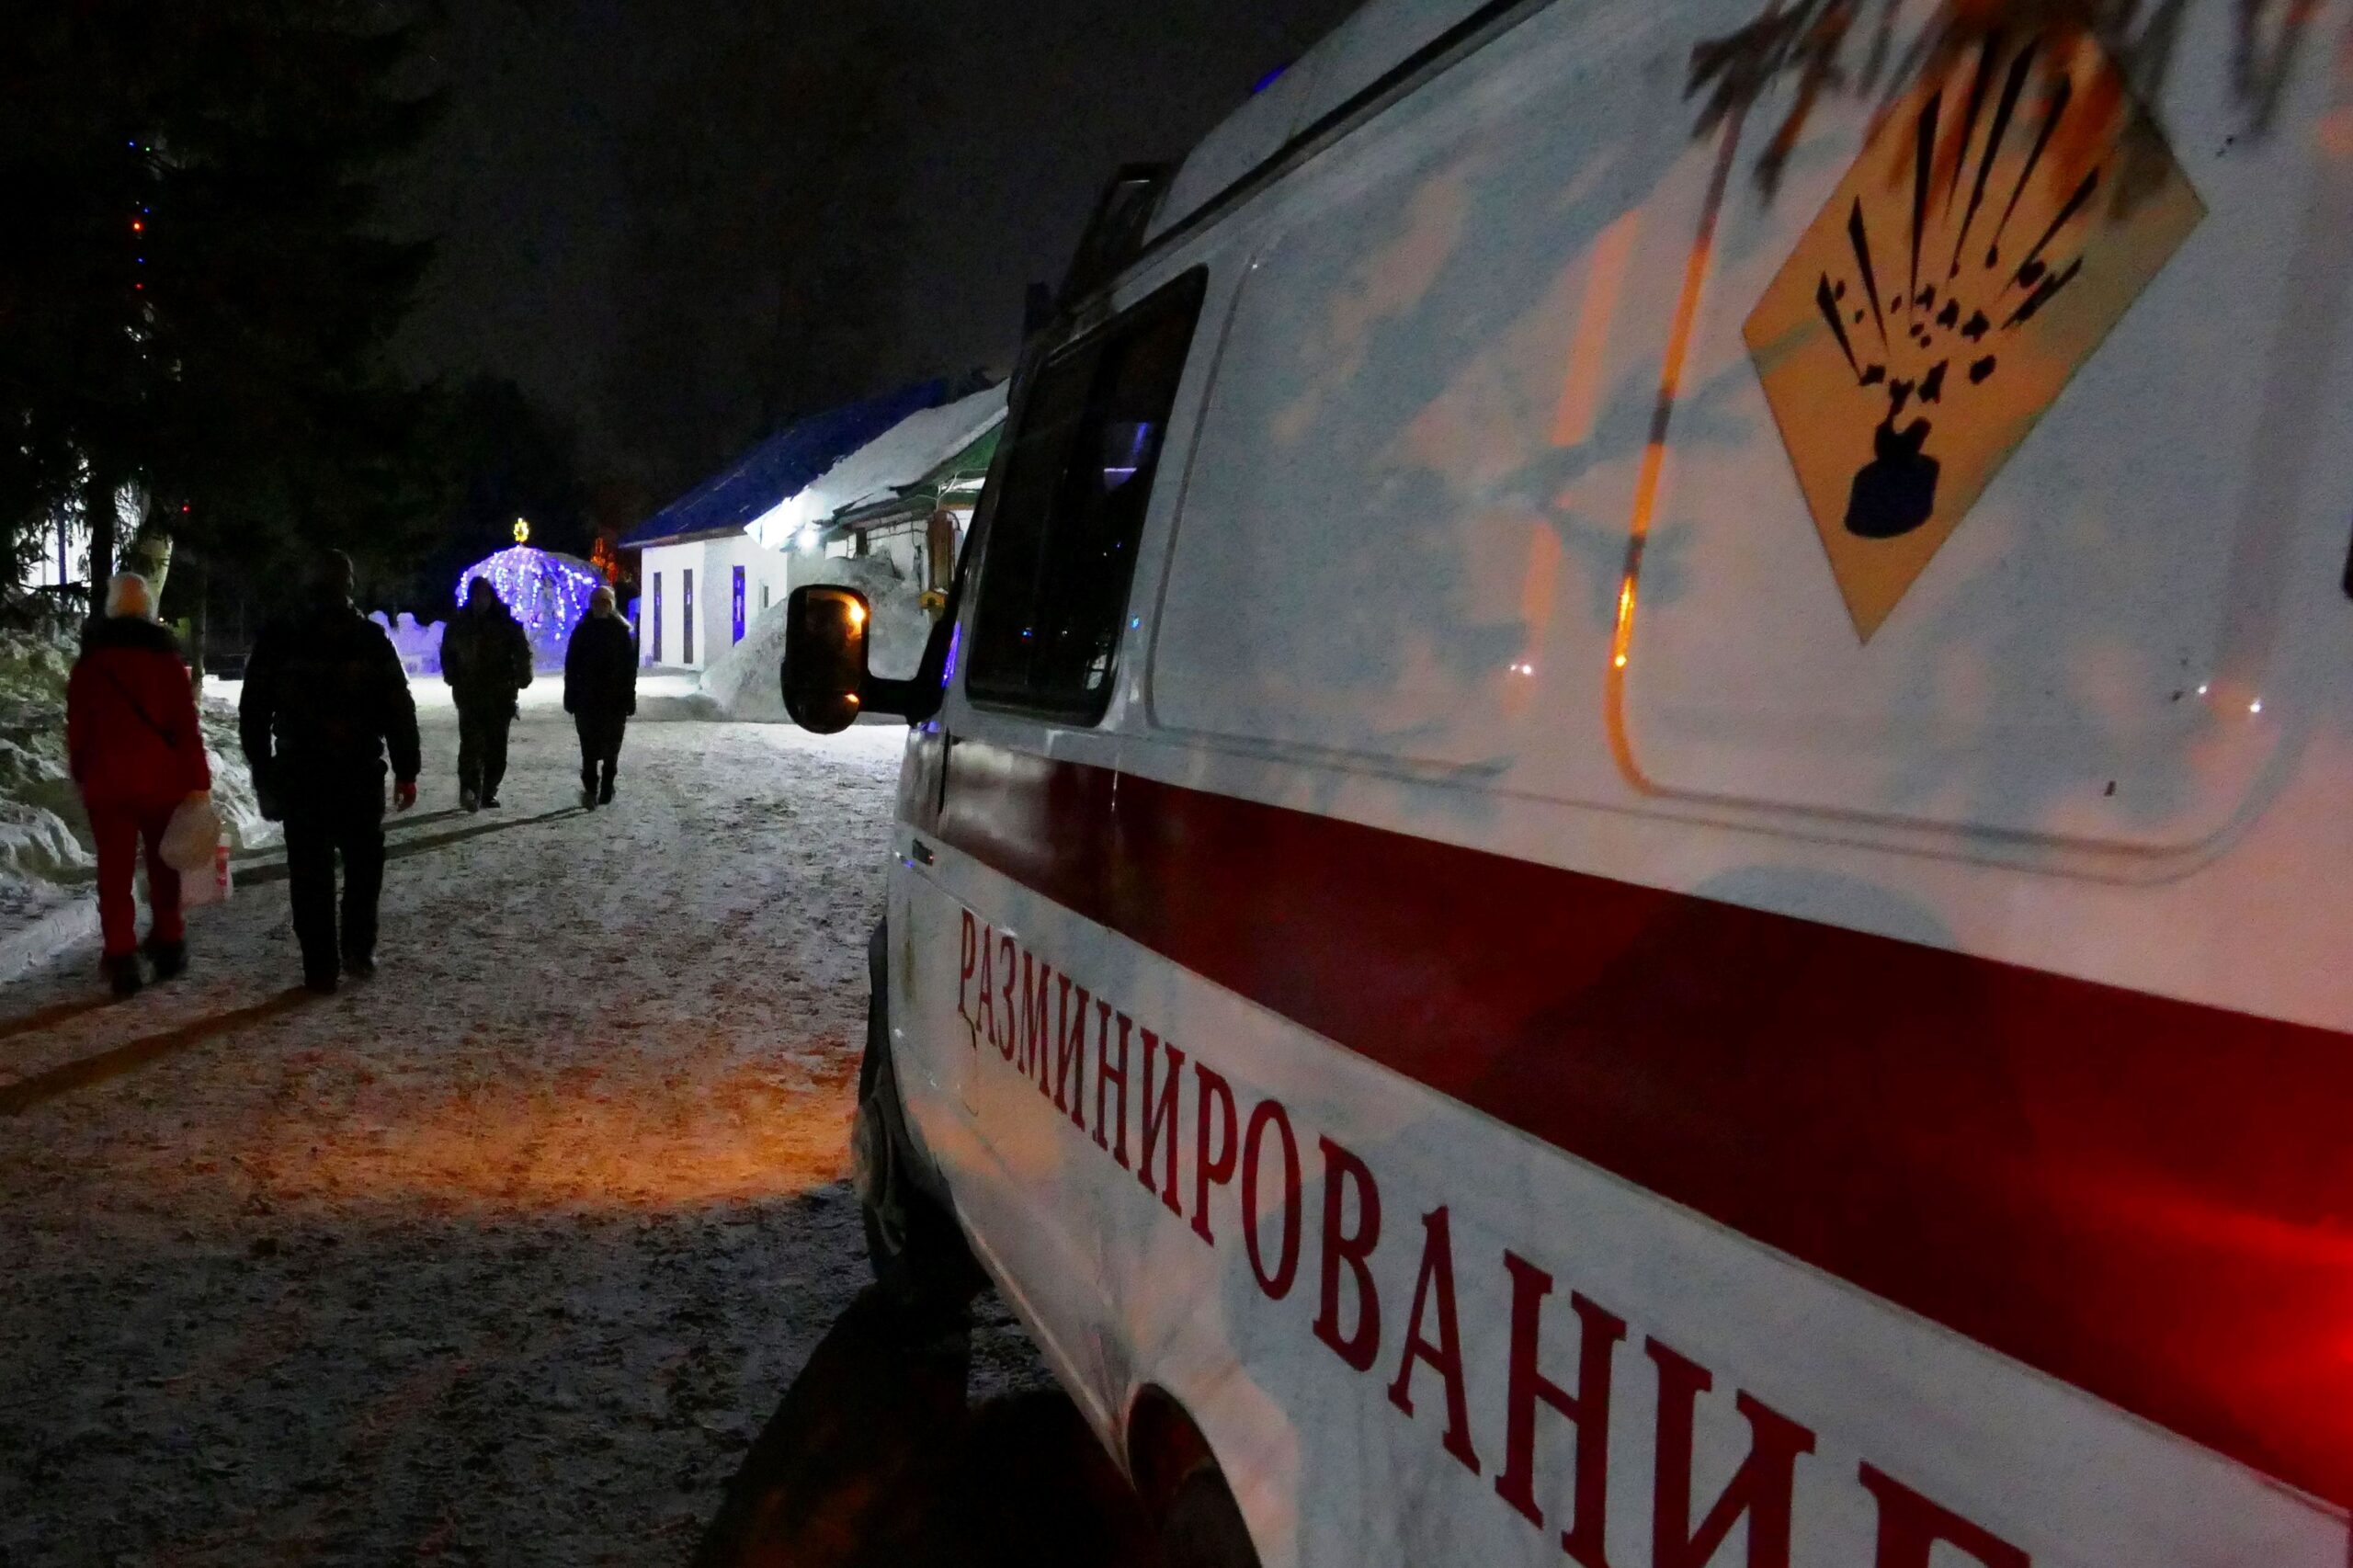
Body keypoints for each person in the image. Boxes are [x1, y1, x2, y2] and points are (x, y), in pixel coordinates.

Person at [240, 551, 420, 994]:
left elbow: (254, 710)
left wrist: (263, 768)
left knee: (309, 871)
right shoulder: (369, 638)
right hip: (358, 770)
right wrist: (406, 769)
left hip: (301, 772)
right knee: (363, 865)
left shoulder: (281, 638)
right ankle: (358, 947)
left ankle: (320, 966)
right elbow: (398, 707)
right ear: (348, 585)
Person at [66, 573, 211, 998]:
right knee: (164, 865)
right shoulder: (166, 663)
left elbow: (79, 727)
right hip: (160, 781)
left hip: (108, 783)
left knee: (114, 872)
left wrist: (81, 771)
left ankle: (121, 954)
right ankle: (169, 941)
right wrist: (198, 781)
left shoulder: (91, 664)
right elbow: (186, 728)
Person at [441, 578, 531, 810]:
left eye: (484, 596)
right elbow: (448, 652)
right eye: (476, 596)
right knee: (471, 744)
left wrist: (523, 677)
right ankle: (470, 788)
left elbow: (522, 651)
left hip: (500, 694)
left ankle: (489, 790)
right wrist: (452, 675)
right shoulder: (460, 624)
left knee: (496, 746)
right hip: (469, 692)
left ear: (491, 597)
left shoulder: (505, 623)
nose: (480, 601)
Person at [563, 585, 638, 808]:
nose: (600, 607)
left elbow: (629, 669)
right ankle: (590, 787)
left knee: (612, 746)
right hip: (587, 698)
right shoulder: (582, 631)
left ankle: (607, 784)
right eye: (596, 602)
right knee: (588, 746)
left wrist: (629, 696)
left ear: (611, 605)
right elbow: (572, 666)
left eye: (605, 602)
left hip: (614, 699)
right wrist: (570, 694)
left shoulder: (621, 632)